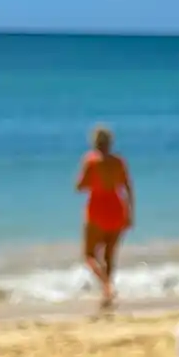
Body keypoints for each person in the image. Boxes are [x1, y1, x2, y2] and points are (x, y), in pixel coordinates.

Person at [75, 125, 133, 312]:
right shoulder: (119, 162)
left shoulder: (91, 161)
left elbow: (80, 186)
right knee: (109, 255)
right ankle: (107, 293)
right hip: (117, 208)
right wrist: (131, 213)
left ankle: (106, 286)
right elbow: (128, 187)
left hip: (98, 209)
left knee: (89, 255)